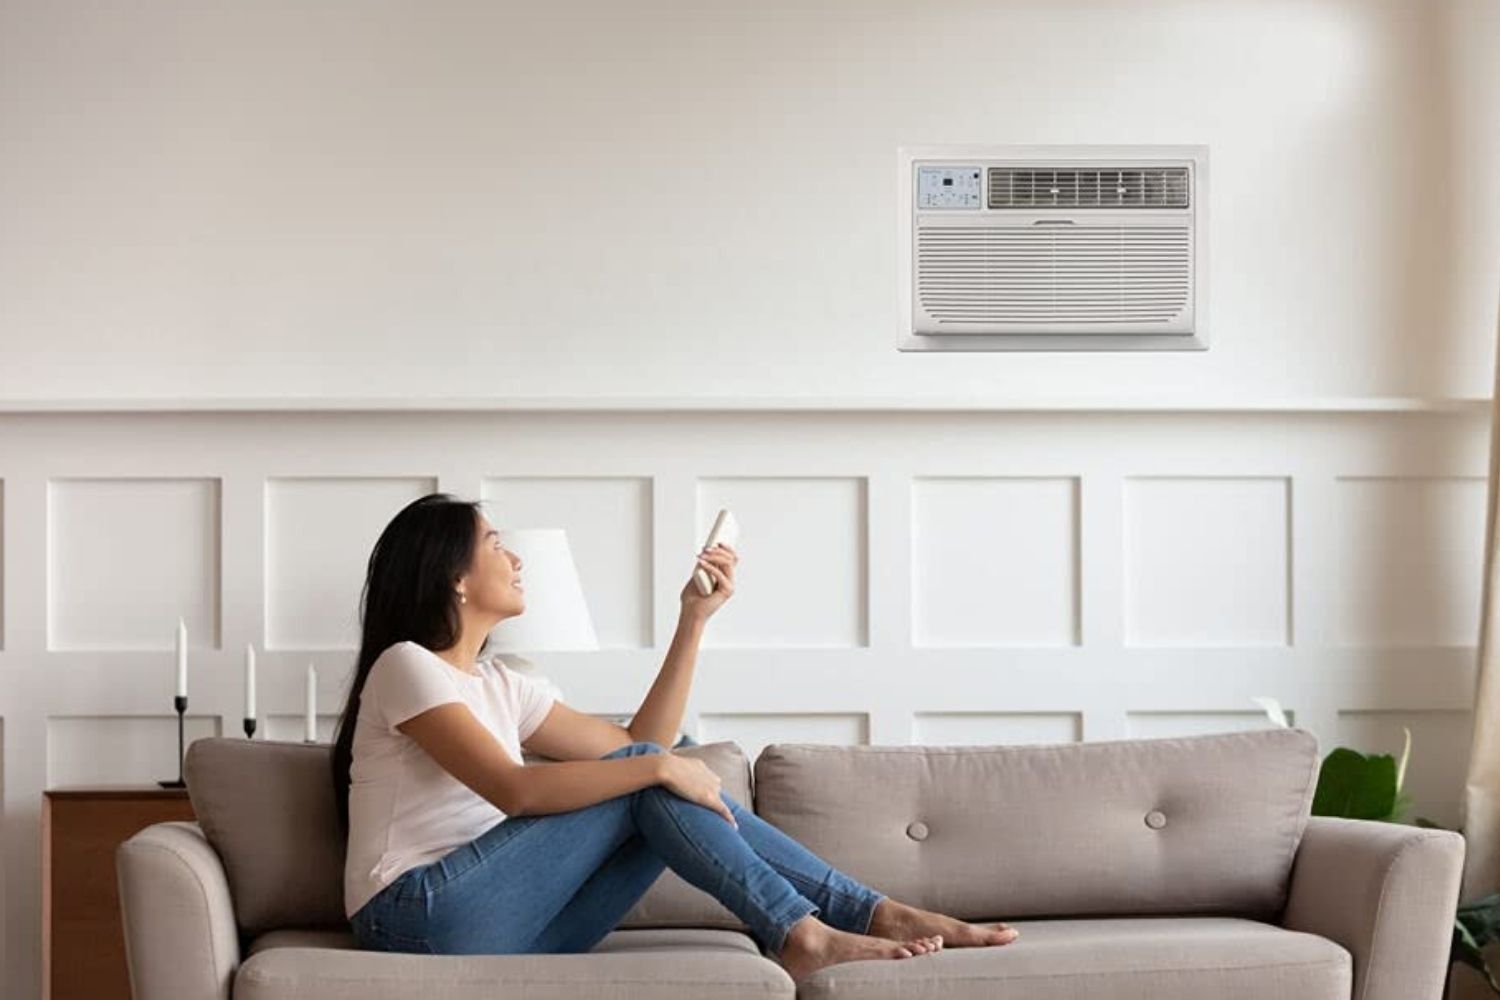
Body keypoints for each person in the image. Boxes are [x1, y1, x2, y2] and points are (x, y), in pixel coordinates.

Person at [331, 493, 1019, 983]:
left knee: (648, 776)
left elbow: (639, 742)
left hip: (515, 925)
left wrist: (694, 620)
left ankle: (868, 913)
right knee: (647, 774)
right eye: (493, 543)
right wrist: (654, 770)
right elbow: (515, 790)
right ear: (455, 577)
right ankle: (811, 930)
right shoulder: (407, 668)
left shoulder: (505, 683)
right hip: (416, 918)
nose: (513, 557)